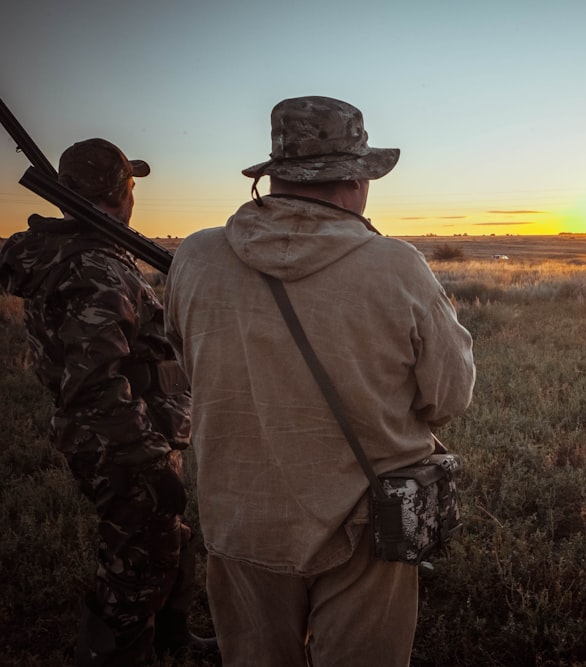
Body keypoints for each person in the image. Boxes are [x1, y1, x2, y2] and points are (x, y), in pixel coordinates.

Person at [163, 96, 476, 666]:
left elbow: (184, 367)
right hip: (366, 526)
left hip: (238, 521)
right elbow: (449, 397)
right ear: (356, 179)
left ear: (274, 175)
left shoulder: (195, 256)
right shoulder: (398, 267)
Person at [0, 138, 216, 665]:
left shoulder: (88, 249)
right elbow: (96, 384)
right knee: (134, 570)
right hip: (121, 442)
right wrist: (145, 459)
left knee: (166, 542)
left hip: (139, 430)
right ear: (124, 190)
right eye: (132, 183)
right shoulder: (92, 266)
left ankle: (171, 644)